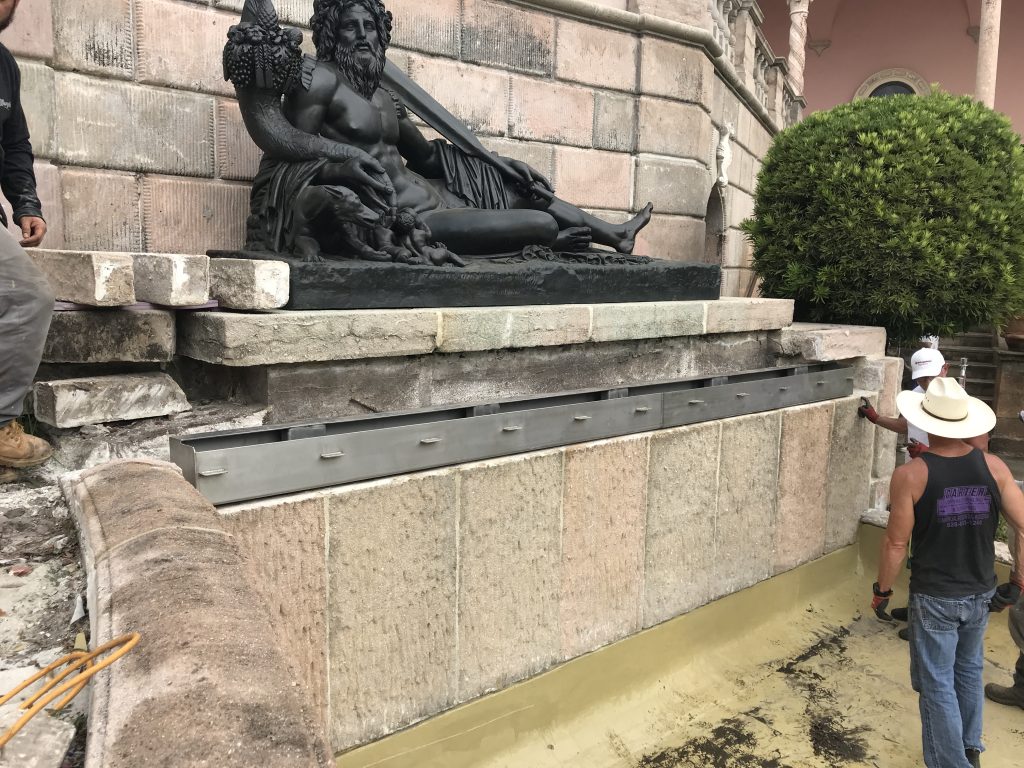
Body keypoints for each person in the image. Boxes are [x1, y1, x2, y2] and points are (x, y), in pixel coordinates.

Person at [247, 0, 653, 260]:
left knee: (522, 190)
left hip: (439, 195)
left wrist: (497, 163)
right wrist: (344, 167)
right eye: (351, 27)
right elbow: (294, 154)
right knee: (544, 225)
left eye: (370, 26)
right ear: (332, 33)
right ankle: (545, 243)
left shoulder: (382, 95)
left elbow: (424, 157)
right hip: (406, 220)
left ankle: (615, 235)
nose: (363, 36)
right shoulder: (317, 80)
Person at [871, 377, 1024, 768]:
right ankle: (970, 748)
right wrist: (1017, 579)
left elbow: (894, 544)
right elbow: (1023, 524)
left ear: (926, 421)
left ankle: (951, 762)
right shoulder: (993, 467)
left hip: (936, 595)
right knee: (969, 670)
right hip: (981, 592)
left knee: (936, 682)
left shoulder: (912, 475)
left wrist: (882, 591)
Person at [0, 0, 53, 474]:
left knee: (25, 297)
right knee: (27, 298)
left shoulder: (4, 66)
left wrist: (26, 204)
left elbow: (14, 143)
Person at [859, 347, 949, 458]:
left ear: (945, 369)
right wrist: (876, 418)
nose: (928, 383)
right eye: (922, 378)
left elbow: (966, 446)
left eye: (932, 376)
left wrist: (929, 453)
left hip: (942, 469)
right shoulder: (915, 394)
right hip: (915, 466)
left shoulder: (958, 402)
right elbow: (906, 425)